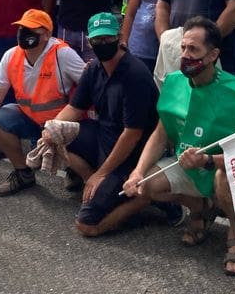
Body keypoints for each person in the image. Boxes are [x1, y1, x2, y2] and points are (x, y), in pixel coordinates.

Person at [123, 16, 235, 277]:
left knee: (223, 178)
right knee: (146, 185)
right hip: (188, 166)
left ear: (213, 55)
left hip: (226, 171)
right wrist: (138, 171)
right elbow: (160, 134)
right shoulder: (174, 82)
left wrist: (209, 161)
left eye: (193, 49)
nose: (185, 55)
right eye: (183, 48)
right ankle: (199, 209)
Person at [46, 12, 160, 236]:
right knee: (57, 136)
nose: (102, 44)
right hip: (103, 139)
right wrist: (51, 128)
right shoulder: (93, 69)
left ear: (119, 37)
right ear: (89, 41)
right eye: (97, 40)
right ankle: (94, 185)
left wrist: (102, 173)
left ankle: (144, 200)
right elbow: (75, 108)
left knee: (87, 225)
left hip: (130, 155)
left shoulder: (135, 74)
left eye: (108, 38)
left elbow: (132, 134)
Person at [0, 9, 86, 196]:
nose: (24, 33)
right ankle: (23, 174)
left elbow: (88, 87)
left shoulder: (63, 54)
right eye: (21, 28)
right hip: (31, 119)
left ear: (46, 35)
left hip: (61, 124)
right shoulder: (11, 56)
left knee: (77, 147)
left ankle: (75, 171)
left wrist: (64, 123)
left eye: (31, 29)